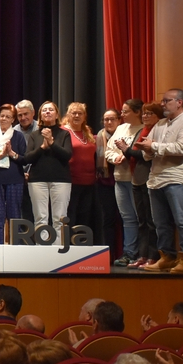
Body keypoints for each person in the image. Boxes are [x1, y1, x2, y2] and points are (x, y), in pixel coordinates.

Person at [139, 89, 183, 273]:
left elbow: (182, 148)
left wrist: (154, 146)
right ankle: (167, 257)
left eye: (166, 101)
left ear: (179, 102)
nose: (162, 104)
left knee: (182, 221)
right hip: (156, 179)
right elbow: (147, 150)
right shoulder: (160, 124)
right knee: (161, 222)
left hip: (178, 178)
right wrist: (148, 150)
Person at [121, 101, 163, 268]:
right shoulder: (142, 131)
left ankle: (153, 256)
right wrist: (126, 150)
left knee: (151, 221)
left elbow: (145, 155)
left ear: (158, 116)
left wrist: (126, 150)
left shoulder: (158, 131)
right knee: (142, 221)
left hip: (150, 179)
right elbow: (137, 152)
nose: (145, 116)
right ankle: (142, 255)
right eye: (144, 113)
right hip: (137, 178)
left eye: (149, 113)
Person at [24, 101, 73, 245]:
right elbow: (28, 157)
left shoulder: (64, 134)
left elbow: (67, 155)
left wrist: (51, 143)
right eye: (44, 110)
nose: (47, 112)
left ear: (56, 114)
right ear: (40, 115)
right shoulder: (34, 135)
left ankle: (58, 250)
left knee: (59, 217)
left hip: (61, 180)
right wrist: (42, 147)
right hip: (38, 180)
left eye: (50, 110)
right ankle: (42, 249)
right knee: (40, 217)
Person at [105, 100, 144, 266]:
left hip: (136, 180)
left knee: (140, 218)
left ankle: (141, 254)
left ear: (137, 112)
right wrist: (115, 158)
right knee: (127, 218)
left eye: (126, 111)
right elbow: (109, 150)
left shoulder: (144, 128)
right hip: (120, 178)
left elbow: (144, 153)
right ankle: (129, 253)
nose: (122, 115)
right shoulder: (121, 128)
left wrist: (128, 153)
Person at [0, 104, 27, 244]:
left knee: (14, 214)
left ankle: (16, 248)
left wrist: (11, 154)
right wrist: (0, 155)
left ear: (13, 119)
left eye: (8, 117)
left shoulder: (18, 136)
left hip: (15, 179)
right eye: (2, 116)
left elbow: (24, 159)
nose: (4, 119)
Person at [61, 102, 96, 235]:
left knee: (85, 215)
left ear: (84, 116)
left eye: (80, 113)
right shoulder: (63, 131)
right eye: (73, 113)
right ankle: (70, 247)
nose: (76, 116)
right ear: (68, 115)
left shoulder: (88, 131)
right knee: (70, 215)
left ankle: (82, 246)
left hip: (89, 181)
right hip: (71, 180)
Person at [95, 108, 121, 259]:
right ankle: (110, 255)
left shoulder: (125, 135)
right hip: (105, 183)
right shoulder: (98, 137)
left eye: (112, 119)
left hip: (124, 181)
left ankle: (127, 253)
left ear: (119, 120)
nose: (109, 122)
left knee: (127, 219)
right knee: (108, 219)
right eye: (106, 119)